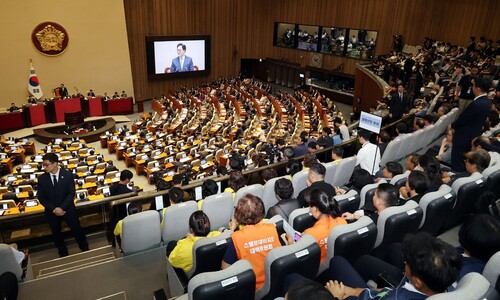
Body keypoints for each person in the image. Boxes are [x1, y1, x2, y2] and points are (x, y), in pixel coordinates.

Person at [325, 232, 462, 299]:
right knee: (364, 260)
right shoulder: (447, 279)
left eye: (407, 263)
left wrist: (338, 296)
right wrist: (352, 290)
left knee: (337, 262)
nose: (404, 263)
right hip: (390, 290)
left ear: (418, 282)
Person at [222, 194, 281, 290]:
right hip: (277, 280)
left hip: (254, 288)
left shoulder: (237, 237)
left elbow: (225, 267)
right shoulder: (272, 228)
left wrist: (233, 230)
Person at [37, 153, 88, 257]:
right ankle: (63, 254)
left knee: (77, 230)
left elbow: (71, 194)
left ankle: (85, 249)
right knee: (57, 235)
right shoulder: (42, 179)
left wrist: (61, 208)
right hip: (52, 212)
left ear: (55, 164)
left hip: (68, 209)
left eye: (47, 165)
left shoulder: (68, 175)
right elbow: (41, 198)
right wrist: (54, 209)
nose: (45, 167)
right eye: (43, 165)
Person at [288, 188, 346, 263]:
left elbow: (298, 248)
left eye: (310, 207)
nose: (309, 209)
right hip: (339, 261)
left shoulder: (310, 234)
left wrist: (291, 238)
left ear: (315, 209)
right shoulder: (342, 221)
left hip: (320, 268)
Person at [451, 77, 492, 172]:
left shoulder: (477, 104)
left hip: (463, 137)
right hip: (473, 135)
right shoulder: (487, 102)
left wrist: (453, 125)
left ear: (478, 88)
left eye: (473, 86)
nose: (472, 88)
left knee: (458, 165)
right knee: (465, 163)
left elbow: (462, 120)